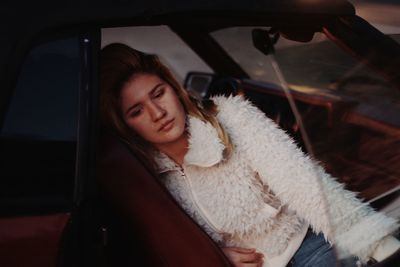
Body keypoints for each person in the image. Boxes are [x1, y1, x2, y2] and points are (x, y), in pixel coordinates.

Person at [99, 43, 400, 267]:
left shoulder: (231, 117)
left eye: (158, 93)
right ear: (124, 124)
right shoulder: (142, 173)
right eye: (136, 111)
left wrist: (377, 243)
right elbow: (160, 246)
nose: (157, 113)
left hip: (307, 250)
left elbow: (302, 182)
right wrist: (213, 256)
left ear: (174, 89)